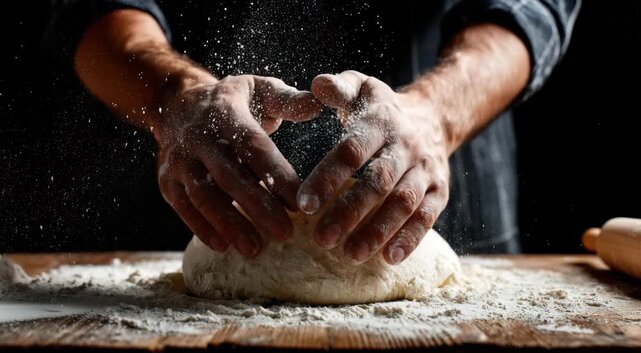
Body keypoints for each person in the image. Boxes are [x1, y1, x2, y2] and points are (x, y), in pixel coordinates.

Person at [48, 0, 580, 261]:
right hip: (193, 209)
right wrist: (176, 98)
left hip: (435, 192)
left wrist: (436, 114)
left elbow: (530, 7)